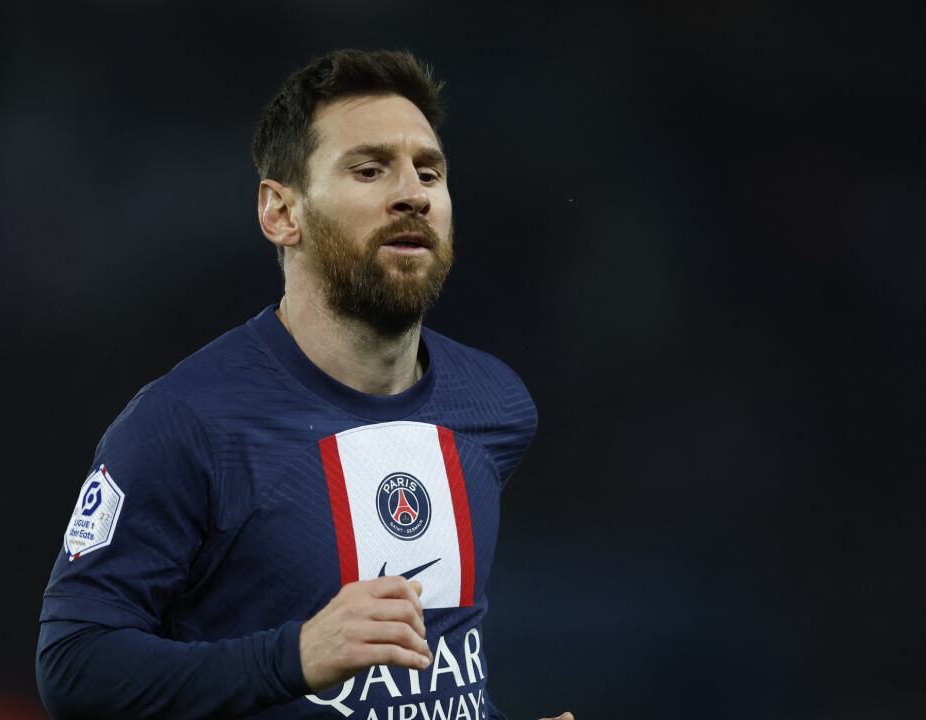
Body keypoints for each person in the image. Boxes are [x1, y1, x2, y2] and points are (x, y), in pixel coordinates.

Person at [36, 48, 573, 720]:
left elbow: (425, 679)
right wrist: (293, 657)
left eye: (428, 171)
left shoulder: (494, 406)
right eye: (370, 169)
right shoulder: (186, 423)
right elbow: (73, 666)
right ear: (280, 213)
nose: (412, 192)